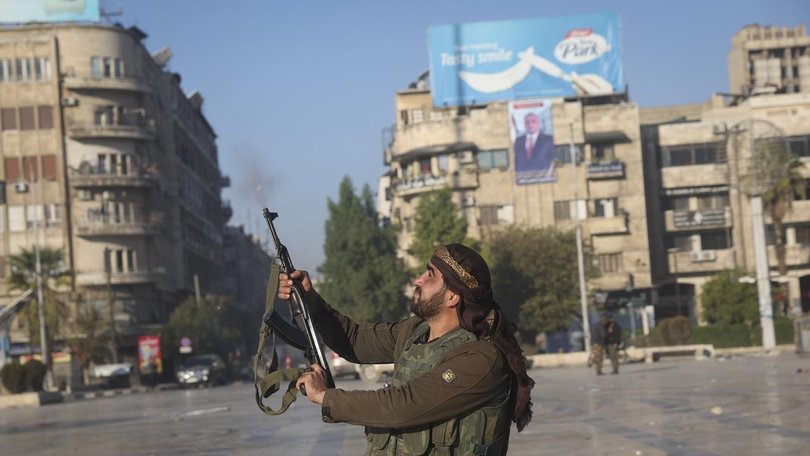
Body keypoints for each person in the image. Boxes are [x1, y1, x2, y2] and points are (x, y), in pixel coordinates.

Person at [279, 243, 535, 455]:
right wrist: (310, 300)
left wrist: (326, 396)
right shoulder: (414, 331)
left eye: (430, 275)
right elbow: (354, 340)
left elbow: (403, 405)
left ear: (452, 296)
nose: (418, 279)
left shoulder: (481, 359)